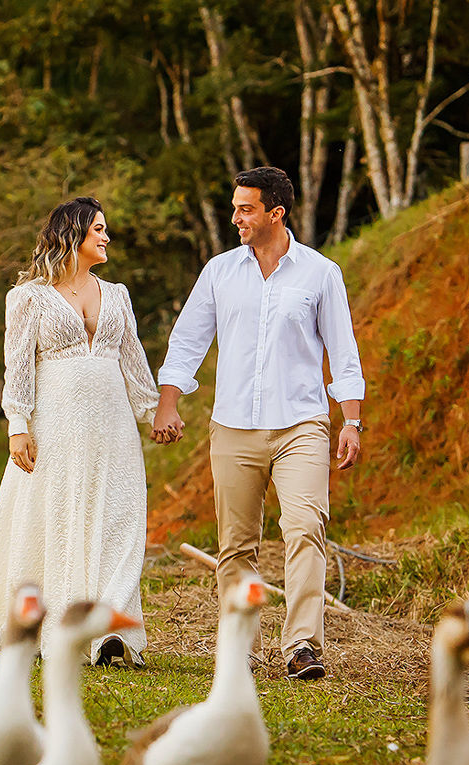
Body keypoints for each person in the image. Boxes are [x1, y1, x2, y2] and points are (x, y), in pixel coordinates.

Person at [153, 166, 366, 681]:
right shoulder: (219, 272)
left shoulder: (320, 274)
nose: (236, 218)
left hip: (301, 425)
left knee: (305, 527)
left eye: (245, 209)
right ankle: (240, 646)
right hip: (233, 427)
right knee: (236, 543)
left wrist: (351, 420)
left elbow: (343, 350)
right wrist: (168, 402)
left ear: (276, 213)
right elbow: (187, 341)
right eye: (235, 207)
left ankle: (301, 647)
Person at [0, 197, 159, 666]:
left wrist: (156, 412)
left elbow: (133, 360)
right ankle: (57, 618)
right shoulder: (29, 297)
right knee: (60, 517)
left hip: (113, 424)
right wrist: (18, 425)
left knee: (120, 518)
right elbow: (18, 367)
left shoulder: (117, 295)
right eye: (98, 229)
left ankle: (110, 627)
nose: (107, 237)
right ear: (72, 234)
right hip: (57, 424)